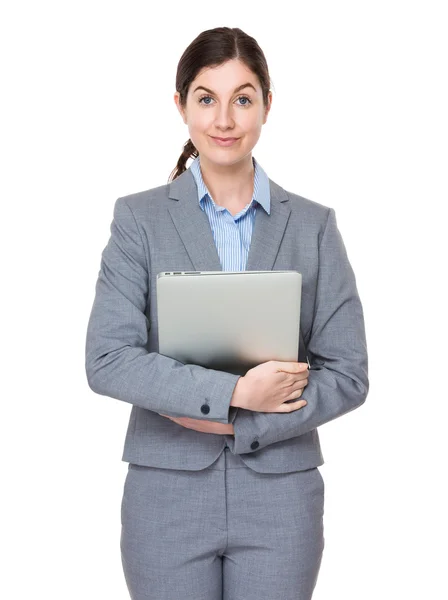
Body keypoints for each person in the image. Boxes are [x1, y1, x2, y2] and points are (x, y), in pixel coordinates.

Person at [85, 26, 369, 600]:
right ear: (181, 106)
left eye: (243, 98)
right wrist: (236, 395)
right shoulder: (138, 220)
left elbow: (349, 373)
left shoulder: (314, 226)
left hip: (280, 497)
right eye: (206, 98)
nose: (224, 119)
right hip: (166, 490)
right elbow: (108, 358)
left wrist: (255, 420)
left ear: (267, 104)